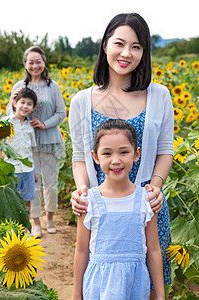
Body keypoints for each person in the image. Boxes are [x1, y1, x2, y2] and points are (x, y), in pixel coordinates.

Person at [69, 13, 174, 297]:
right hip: (100, 212)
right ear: (105, 45)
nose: (127, 53)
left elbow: (165, 150)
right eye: (120, 43)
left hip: (147, 207)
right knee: (101, 283)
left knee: (150, 285)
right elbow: (79, 156)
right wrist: (81, 190)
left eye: (137, 46)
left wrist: (156, 185)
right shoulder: (81, 101)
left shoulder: (159, 95)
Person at [73, 119, 165, 300]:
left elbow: (154, 250)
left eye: (124, 152)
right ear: (96, 157)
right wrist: (77, 295)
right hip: (99, 286)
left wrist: (160, 294)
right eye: (107, 153)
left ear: (136, 154)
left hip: (136, 285)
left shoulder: (146, 200)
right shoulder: (88, 201)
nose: (116, 160)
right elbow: (82, 250)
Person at [8, 46, 66, 238]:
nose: (35, 65)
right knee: (32, 184)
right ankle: (35, 222)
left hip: (49, 140)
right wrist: (14, 100)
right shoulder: (18, 87)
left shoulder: (53, 86)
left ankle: (49, 217)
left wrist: (44, 124)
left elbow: (61, 113)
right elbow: (10, 115)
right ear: (25, 64)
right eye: (30, 62)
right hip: (25, 144)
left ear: (44, 63)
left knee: (51, 183)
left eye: (38, 61)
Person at [0, 88, 37, 216]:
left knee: (27, 201)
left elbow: (31, 150)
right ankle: (12, 231)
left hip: (27, 170)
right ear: (15, 103)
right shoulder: (5, 122)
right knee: (10, 202)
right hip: (11, 169)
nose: (25, 106)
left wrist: (34, 171)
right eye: (22, 102)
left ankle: (25, 229)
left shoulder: (30, 127)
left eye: (29, 104)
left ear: (33, 107)